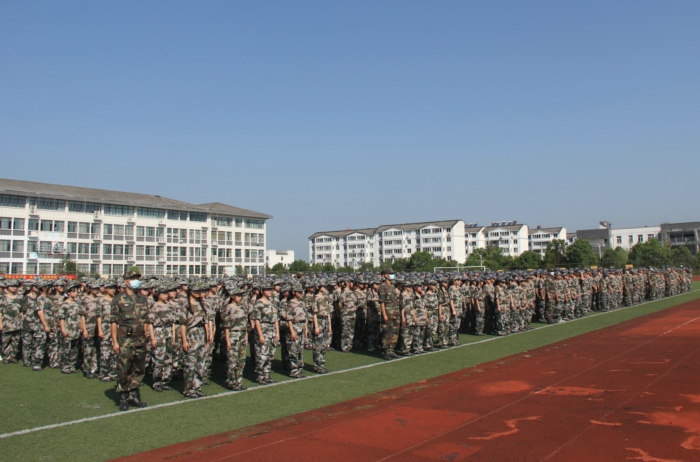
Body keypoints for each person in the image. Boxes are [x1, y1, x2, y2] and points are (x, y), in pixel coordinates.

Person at [110, 270, 151, 411]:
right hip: (125, 339)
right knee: (123, 368)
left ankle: (134, 394)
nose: (136, 280)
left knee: (139, 367)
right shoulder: (118, 299)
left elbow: (146, 319)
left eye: (137, 278)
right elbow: (113, 322)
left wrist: (146, 335)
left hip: (140, 338)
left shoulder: (142, 299)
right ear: (126, 281)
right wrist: (115, 341)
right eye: (133, 278)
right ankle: (123, 396)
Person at [180, 280, 210, 398]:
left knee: (200, 363)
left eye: (200, 290)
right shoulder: (185, 305)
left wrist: (207, 337)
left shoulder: (202, 304)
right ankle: (189, 389)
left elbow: (205, 322)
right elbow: (182, 324)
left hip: (201, 334)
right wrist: (184, 340)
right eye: (196, 290)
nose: (198, 293)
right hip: (191, 334)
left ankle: (197, 387)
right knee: (190, 364)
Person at [251, 283, 280, 384]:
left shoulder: (273, 302)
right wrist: (260, 335)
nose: (270, 291)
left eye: (271, 289)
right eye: (267, 290)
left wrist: (277, 332)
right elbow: (257, 320)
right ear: (262, 291)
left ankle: (266, 375)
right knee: (262, 354)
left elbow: (276, 319)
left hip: (272, 330)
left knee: (270, 354)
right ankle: (260, 376)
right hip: (263, 329)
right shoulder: (258, 303)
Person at [222, 285, 247, 390]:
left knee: (241, 360)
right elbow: (226, 326)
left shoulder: (242, 307)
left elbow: (246, 325)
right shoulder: (228, 308)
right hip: (232, 335)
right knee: (232, 360)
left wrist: (246, 337)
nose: (240, 297)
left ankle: (239, 381)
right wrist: (227, 340)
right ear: (232, 296)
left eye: (241, 295)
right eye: (238, 295)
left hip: (241, 334)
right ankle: (232, 382)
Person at [378, 269, 400, 360]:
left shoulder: (392, 286)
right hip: (388, 312)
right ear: (386, 275)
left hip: (395, 312)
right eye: (391, 274)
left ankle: (391, 350)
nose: (392, 275)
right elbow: (382, 302)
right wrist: (384, 315)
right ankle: (386, 351)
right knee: (387, 332)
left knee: (395, 332)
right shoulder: (383, 287)